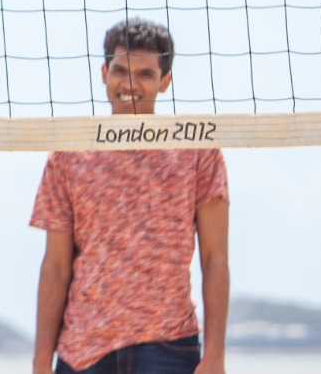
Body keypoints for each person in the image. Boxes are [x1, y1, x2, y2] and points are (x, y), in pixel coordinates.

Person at [30, 18, 230, 374]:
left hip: (168, 347)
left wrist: (215, 356)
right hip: (83, 352)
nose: (130, 84)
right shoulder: (68, 154)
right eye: (121, 71)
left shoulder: (198, 150)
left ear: (165, 81)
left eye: (146, 74)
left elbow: (215, 259)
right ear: (104, 72)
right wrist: (40, 362)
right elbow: (56, 266)